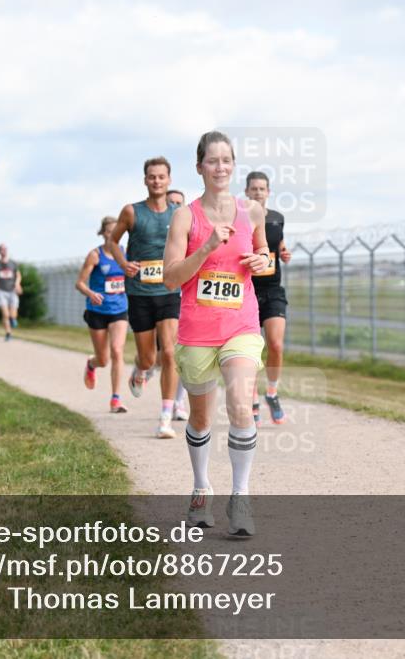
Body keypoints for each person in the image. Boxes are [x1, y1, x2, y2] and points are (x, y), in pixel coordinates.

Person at [163, 130, 270, 536]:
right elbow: (171, 278)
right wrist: (206, 247)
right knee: (201, 417)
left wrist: (262, 261)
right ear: (199, 167)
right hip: (197, 330)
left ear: (233, 165)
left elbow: (264, 256)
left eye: (227, 160)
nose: (220, 167)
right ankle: (200, 488)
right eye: (213, 161)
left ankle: (240, 499)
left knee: (242, 403)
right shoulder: (186, 216)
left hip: (241, 325)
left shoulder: (252, 212)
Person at [107, 157, 181, 439]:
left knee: (170, 353)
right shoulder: (131, 212)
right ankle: (140, 369)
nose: (157, 181)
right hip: (139, 292)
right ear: (145, 180)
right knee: (149, 358)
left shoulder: (178, 213)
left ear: (169, 180)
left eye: (161, 177)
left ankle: (165, 416)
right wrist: (124, 263)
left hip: (169, 291)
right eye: (152, 177)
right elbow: (113, 241)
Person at [245, 171, 292, 424]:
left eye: (262, 189)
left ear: (268, 192)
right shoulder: (241, 217)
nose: (258, 193)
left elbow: (279, 245)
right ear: (246, 192)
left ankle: (271, 393)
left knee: (275, 344)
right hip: (247, 291)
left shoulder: (277, 218)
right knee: (252, 350)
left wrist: (284, 253)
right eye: (254, 189)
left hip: (273, 290)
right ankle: (252, 399)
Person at [76, 217, 130, 413]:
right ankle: (92, 363)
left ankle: (116, 399)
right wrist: (91, 293)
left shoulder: (125, 253)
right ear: (104, 233)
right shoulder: (95, 255)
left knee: (117, 350)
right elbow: (80, 283)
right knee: (103, 359)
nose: (114, 234)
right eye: (110, 231)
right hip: (97, 311)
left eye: (118, 230)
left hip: (119, 310)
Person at [0, 244, 23, 342]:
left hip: (12, 291)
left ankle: (13, 320)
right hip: (1, 291)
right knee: (5, 314)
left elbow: (18, 276)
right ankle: (8, 333)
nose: (4, 251)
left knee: (13, 314)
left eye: (5, 249)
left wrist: (17, 284)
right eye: (2, 249)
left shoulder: (13, 264)